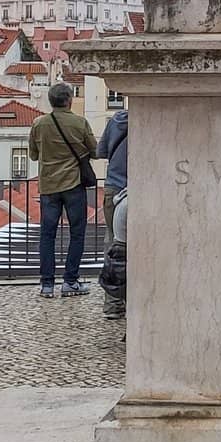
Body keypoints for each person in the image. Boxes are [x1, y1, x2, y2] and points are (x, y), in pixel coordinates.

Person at [28, 82, 97, 299]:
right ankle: (70, 281)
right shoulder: (80, 123)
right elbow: (94, 151)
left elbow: (33, 155)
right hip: (74, 184)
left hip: (48, 186)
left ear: (51, 101)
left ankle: (47, 284)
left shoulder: (39, 124)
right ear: (69, 100)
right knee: (77, 233)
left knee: (47, 235)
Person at [97, 106, 128, 318]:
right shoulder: (154, 117)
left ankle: (113, 302)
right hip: (135, 188)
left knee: (113, 243)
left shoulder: (117, 119)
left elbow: (102, 152)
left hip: (113, 186)